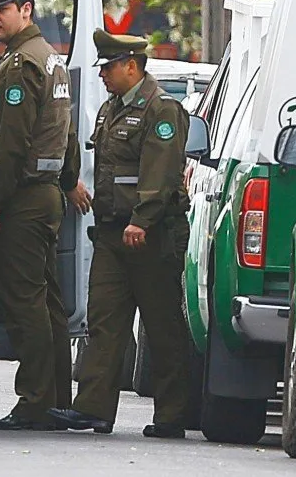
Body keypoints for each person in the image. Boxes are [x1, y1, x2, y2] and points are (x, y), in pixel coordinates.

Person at [47, 29, 192, 439]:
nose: (102, 76)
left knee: (161, 324)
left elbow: (160, 173)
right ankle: (93, 409)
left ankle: (172, 414)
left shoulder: (162, 110)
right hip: (112, 233)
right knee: (104, 321)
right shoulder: (110, 110)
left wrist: (142, 220)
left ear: (132, 65)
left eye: (108, 68)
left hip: (151, 234)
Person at [0, 0, 92, 431]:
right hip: (45, 197)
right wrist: (69, 180)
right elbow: (69, 133)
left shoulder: (21, 64)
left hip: (21, 199)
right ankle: (57, 397)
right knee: (47, 302)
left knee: (25, 302)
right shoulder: (51, 60)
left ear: (26, 10)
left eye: (2, 10)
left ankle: (36, 402)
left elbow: (12, 143)